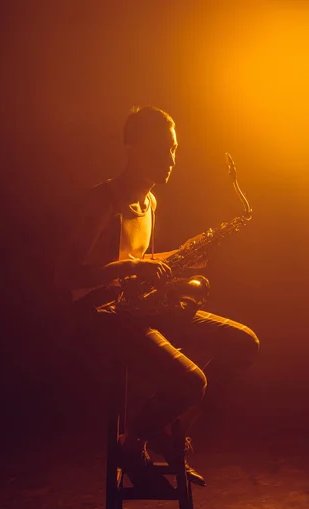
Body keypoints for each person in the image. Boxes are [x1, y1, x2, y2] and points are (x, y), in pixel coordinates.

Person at [57, 105, 259, 489]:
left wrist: (184, 253)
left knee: (243, 342)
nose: (171, 159)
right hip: (99, 316)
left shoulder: (149, 202)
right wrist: (133, 268)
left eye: (174, 148)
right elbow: (66, 277)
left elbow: (140, 261)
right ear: (133, 148)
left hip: (134, 306)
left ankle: (167, 426)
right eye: (162, 148)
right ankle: (133, 441)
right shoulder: (103, 202)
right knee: (191, 380)